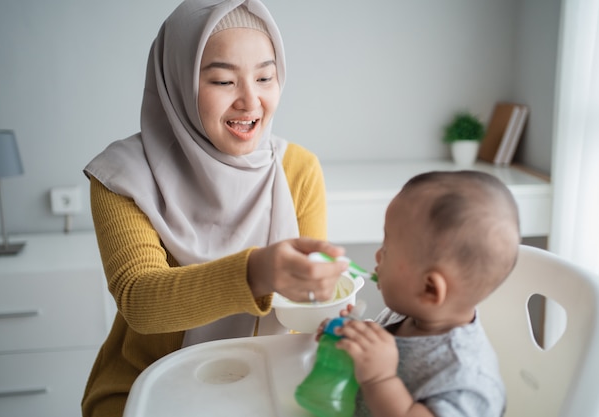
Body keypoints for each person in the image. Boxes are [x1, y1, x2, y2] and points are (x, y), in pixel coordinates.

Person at [81, 1, 349, 416]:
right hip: (147, 385)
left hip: (268, 379)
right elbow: (140, 301)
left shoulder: (298, 169)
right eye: (224, 81)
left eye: (265, 77)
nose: (250, 100)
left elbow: (309, 306)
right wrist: (258, 270)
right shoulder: (122, 176)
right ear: (178, 82)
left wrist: (325, 292)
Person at [330, 170, 521, 417]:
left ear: (430, 288)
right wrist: (353, 336)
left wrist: (380, 379)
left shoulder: (466, 380)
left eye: (387, 249)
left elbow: (381, 374)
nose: (378, 255)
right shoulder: (405, 315)